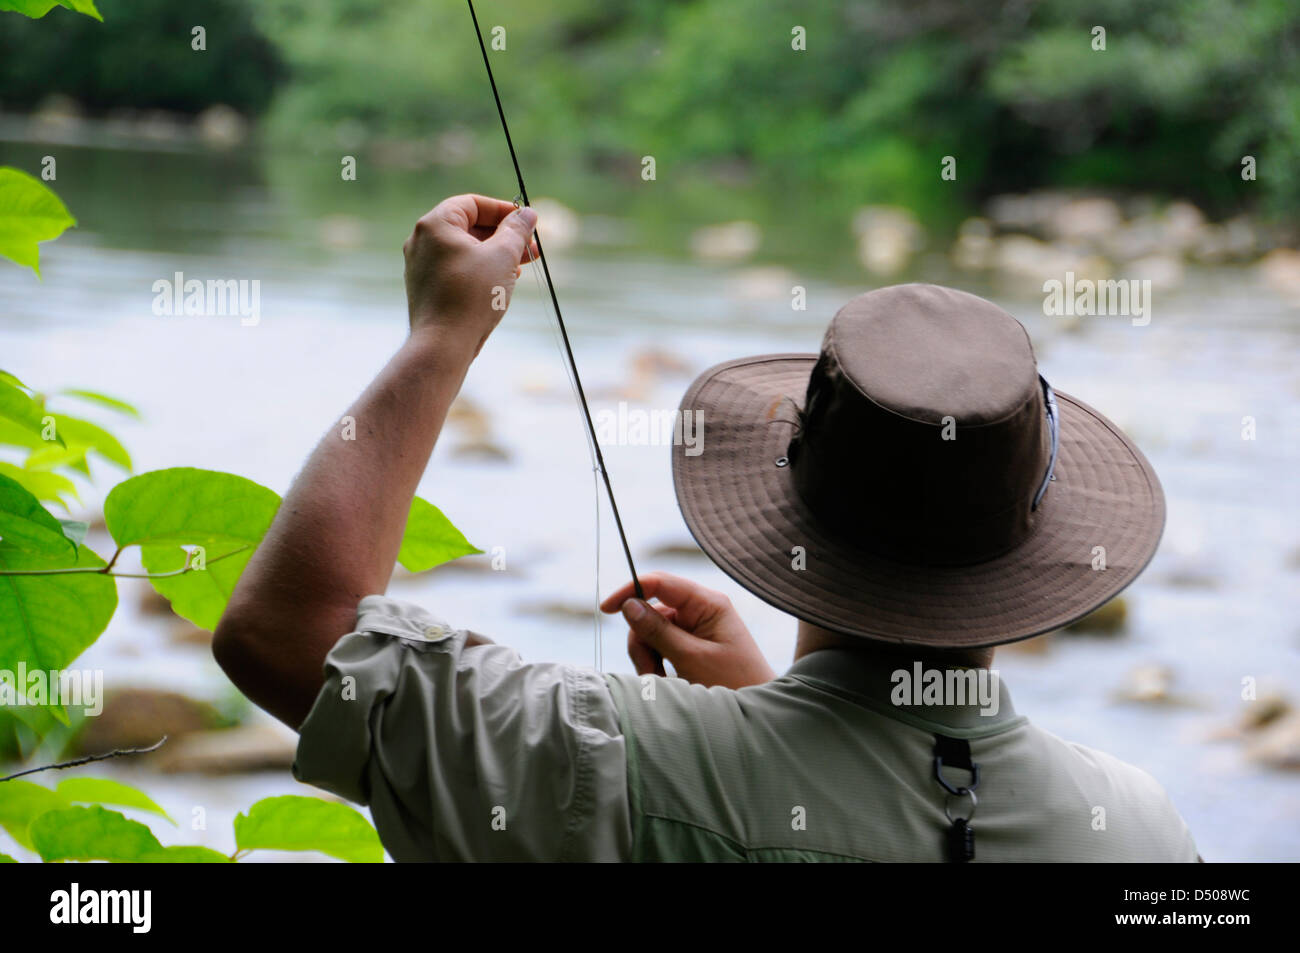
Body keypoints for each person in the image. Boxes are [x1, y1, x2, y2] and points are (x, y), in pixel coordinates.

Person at [213, 193, 1201, 862]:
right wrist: (766, 702)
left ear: (787, 498)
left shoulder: (612, 762)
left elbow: (288, 633)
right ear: (1028, 544)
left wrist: (442, 333)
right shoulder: (1140, 831)